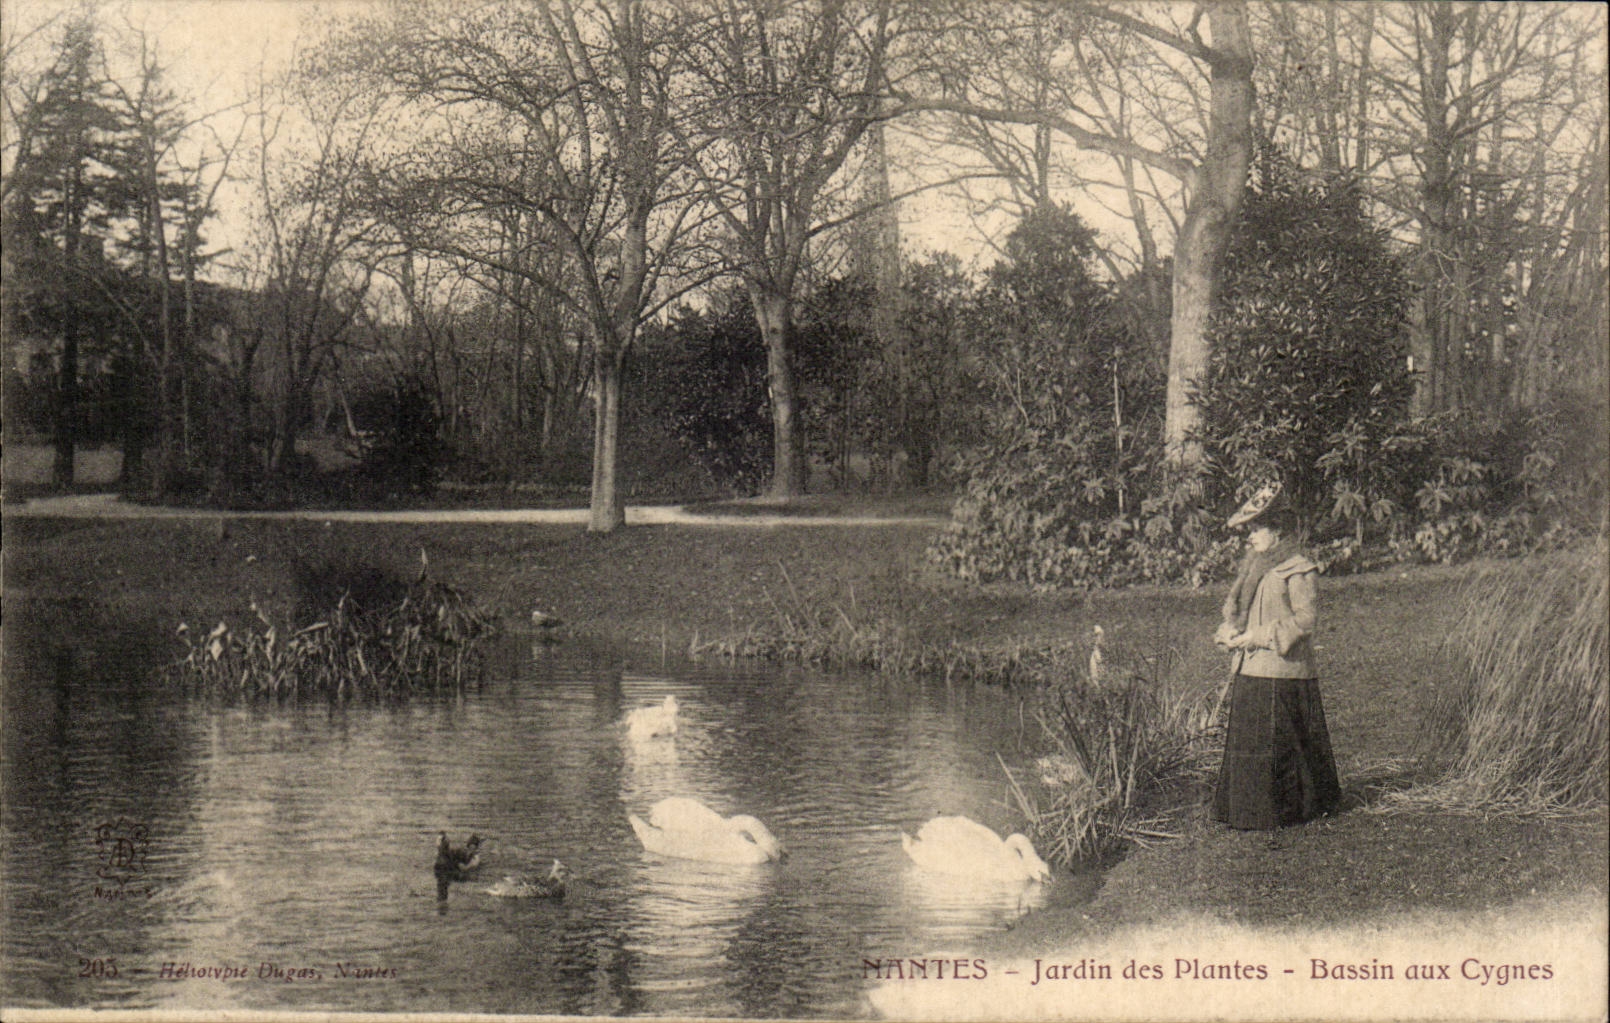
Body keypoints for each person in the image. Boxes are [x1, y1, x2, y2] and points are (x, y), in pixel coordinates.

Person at [1210, 482, 1342, 829]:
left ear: (1277, 531)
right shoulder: (1253, 569)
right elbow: (1243, 611)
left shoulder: (1299, 569)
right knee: (1251, 745)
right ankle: (1248, 811)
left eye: (1255, 529)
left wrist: (1256, 637)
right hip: (1251, 670)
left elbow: (1305, 621)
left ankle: (1285, 811)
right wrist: (1230, 631)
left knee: (1281, 747)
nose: (1248, 537)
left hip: (1283, 673)